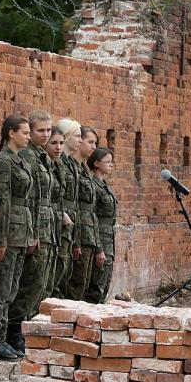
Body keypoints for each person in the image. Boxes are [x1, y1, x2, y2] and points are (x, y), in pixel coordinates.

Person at [0, 114, 33, 361]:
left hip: (20, 233)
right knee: (0, 288)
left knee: (11, 288)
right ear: (11, 133)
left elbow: (24, 204)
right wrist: (0, 239)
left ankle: (4, 338)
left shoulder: (18, 160)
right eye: (24, 132)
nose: (29, 136)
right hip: (7, 234)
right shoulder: (4, 162)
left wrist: (30, 234)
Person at [6, 111, 54, 355]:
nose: (45, 135)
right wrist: (33, 232)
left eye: (48, 130)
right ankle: (14, 332)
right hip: (32, 226)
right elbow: (30, 197)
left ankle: (23, 329)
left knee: (38, 282)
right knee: (28, 282)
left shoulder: (41, 155)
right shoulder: (28, 155)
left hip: (43, 225)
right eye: (40, 131)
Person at [66, 126, 100, 301]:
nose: (93, 147)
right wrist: (76, 240)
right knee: (74, 284)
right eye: (90, 141)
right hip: (75, 231)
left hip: (87, 231)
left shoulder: (84, 169)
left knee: (84, 284)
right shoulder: (72, 168)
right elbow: (75, 205)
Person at [53, 118, 82, 298]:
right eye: (77, 136)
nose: (80, 140)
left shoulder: (70, 162)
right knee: (59, 270)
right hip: (61, 220)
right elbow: (58, 193)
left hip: (70, 220)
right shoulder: (60, 162)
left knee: (65, 271)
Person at [85, 147, 117, 303]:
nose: (111, 165)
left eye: (112, 162)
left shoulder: (104, 185)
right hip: (100, 239)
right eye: (108, 162)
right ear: (96, 163)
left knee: (105, 282)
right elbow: (92, 217)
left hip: (109, 238)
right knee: (96, 286)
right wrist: (99, 248)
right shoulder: (93, 186)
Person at [43, 126, 66, 299]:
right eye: (54, 143)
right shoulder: (39, 163)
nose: (58, 147)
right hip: (43, 227)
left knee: (52, 281)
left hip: (55, 227)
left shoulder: (57, 165)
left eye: (61, 143)